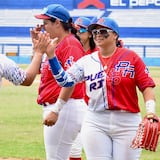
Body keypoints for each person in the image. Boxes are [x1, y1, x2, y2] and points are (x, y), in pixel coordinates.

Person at [37, 17, 157, 160]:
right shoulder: (87, 61)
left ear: (115, 35)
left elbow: (146, 85)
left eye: (103, 31)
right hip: (95, 120)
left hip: (127, 122)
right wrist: (51, 56)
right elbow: (65, 81)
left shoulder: (131, 57)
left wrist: (150, 112)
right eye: (94, 31)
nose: (98, 34)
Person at [32, 4, 87, 160]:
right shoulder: (56, 44)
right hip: (63, 107)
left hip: (65, 107)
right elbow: (37, 70)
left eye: (46, 23)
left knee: (56, 158)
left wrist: (56, 109)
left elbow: (71, 81)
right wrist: (36, 47)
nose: (43, 27)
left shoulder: (70, 44)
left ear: (57, 23)